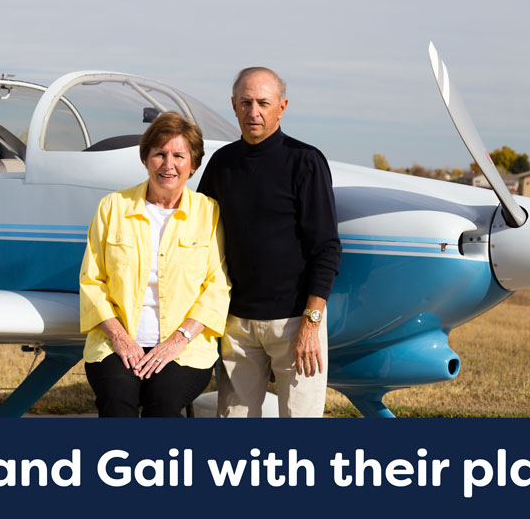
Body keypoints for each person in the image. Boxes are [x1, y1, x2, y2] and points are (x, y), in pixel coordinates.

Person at [198, 67, 341, 417]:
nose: (254, 112)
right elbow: (198, 237)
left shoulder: (306, 161)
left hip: (295, 321)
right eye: (246, 103)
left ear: (282, 107)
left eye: (263, 103)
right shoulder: (221, 164)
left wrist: (311, 322)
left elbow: (326, 248)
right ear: (234, 105)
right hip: (236, 323)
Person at [79, 111, 231, 417]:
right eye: (159, 154)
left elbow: (216, 288)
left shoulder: (209, 213)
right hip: (115, 342)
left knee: (163, 401)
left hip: (184, 348)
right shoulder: (113, 207)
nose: (168, 164)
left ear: (193, 164)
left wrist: (176, 341)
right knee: (116, 399)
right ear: (146, 158)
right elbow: (92, 281)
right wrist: (121, 338)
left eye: (179, 156)